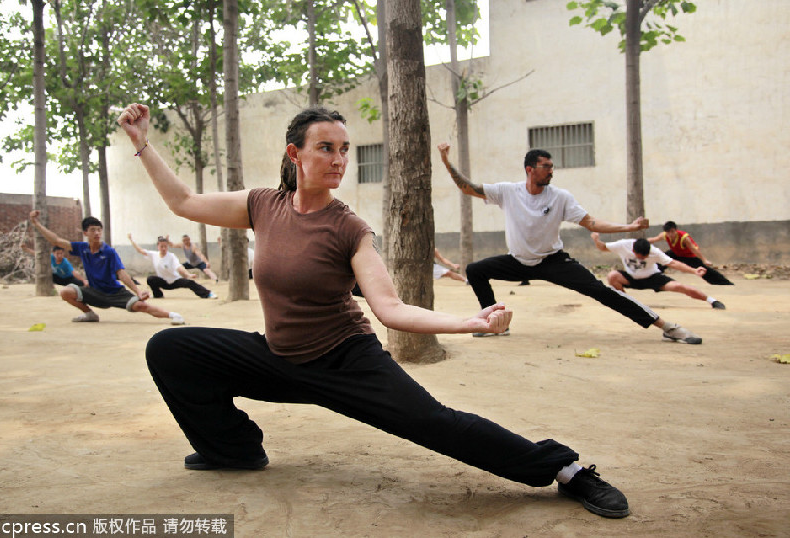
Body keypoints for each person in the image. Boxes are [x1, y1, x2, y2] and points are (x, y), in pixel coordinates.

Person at [117, 102, 630, 519]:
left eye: (345, 149)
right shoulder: (262, 205)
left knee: (436, 422)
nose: (340, 159)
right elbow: (183, 201)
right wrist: (142, 141)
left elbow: (390, 308)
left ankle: (568, 472)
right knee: (171, 348)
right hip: (278, 358)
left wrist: (467, 322)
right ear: (295, 154)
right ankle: (233, 450)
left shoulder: (350, 228)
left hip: (347, 362)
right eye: (327, 148)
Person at [437, 142, 702, 344]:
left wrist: (630, 227)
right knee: (475, 270)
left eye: (552, 166)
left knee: (602, 291)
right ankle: (497, 324)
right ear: (530, 169)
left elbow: (593, 224)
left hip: (553, 261)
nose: (552, 171)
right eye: (546, 166)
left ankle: (666, 326)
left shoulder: (560, 197)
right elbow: (467, 187)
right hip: (517, 261)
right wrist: (445, 160)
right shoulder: (507, 191)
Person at [28, 210, 185, 325]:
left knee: (141, 306)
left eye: (99, 230)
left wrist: (137, 291)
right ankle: (89, 314)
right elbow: (56, 240)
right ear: (85, 233)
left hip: (114, 293)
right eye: (92, 230)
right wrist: (36, 224)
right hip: (94, 291)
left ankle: (173, 315)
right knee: (66, 292)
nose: (97, 233)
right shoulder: (82, 248)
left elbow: (121, 273)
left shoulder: (109, 252)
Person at [590, 233, 726, 310]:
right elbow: (602, 247)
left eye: (645, 256)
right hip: (631, 277)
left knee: (679, 286)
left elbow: (673, 263)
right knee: (612, 276)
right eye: (641, 256)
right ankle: (629, 303)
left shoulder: (654, 252)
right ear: (633, 251)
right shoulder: (623, 245)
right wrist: (596, 239)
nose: (643, 258)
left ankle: (712, 301)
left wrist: (694, 271)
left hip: (652, 278)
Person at [128, 233, 217, 300]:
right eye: (161, 246)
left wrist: (188, 275)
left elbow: (179, 267)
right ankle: (158, 295)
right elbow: (139, 250)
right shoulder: (153, 254)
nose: (163, 248)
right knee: (151, 279)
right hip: (163, 282)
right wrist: (131, 240)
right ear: (158, 246)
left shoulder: (171, 256)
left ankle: (208, 293)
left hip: (175, 281)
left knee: (190, 283)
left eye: (165, 247)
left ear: (167, 247)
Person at [648, 221, 734, 285]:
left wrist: (704, 260)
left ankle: (724, 282)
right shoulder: (664, 235)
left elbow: (693, 249)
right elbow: (653, 239)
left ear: (675, 230)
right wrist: (639, 242)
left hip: (689, 255)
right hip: (675, 253)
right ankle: (654, 278)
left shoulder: (684, 238)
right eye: (668, 232)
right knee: (660, 260)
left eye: (672, 232)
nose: (670, 234)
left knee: (704, 270)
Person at [21, 243, 88, 287]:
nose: (59, 255)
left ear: (63, 253)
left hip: (68, 279)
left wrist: (83, 280)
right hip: (57, 278)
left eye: (61, 253)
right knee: (48, 272)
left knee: (81, 284)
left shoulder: (65, 262)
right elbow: (38, 255)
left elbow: (73, 272)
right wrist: (26, 249)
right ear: (53, 253)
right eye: (57, 253)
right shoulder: (51, 257)